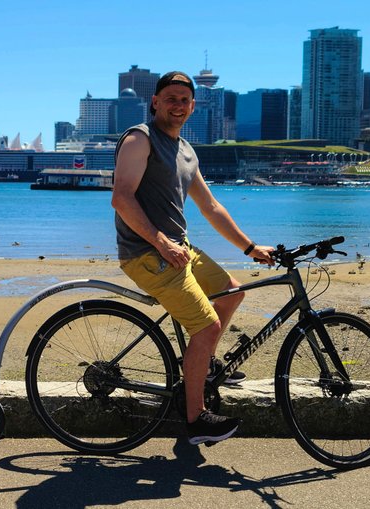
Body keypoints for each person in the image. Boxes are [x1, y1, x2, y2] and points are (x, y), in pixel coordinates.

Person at [111, 71, 274, 445]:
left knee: (231, 293)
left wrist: (250, 248)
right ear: (155, 102)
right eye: (170, 98)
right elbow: (122, 197)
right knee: (206, 327)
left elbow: (211, 206)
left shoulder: (186, 150)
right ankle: (196, 419)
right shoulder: (140, 139)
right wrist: (161, 242)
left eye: (184, 100)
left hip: (178, 249)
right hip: (147, 254)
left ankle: (199, 364)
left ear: (193, 106)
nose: (178, 105)